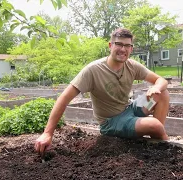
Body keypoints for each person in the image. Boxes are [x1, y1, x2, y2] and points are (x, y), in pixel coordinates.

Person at [34, 28, 170, 155]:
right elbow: (64, 98)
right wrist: (47, 133)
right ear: (110, 46)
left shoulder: (132, 65)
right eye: (119, 44)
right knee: (154, 124)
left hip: (130, 108)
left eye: (127, 45)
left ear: (131, 49)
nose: (123, 49)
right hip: (111, 122)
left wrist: (156, 87)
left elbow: (161, 80)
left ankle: (157, 139)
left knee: (162, 93)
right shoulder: (93, 70)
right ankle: (164, 141)